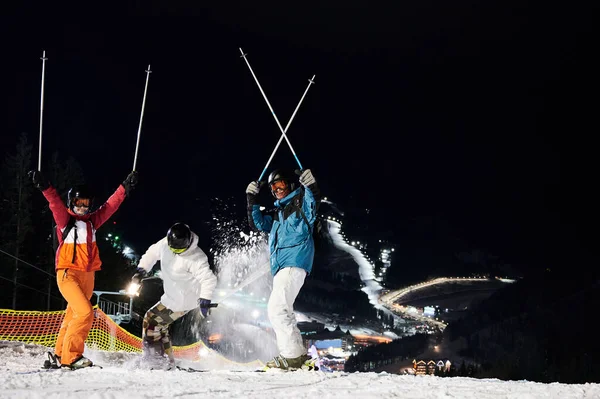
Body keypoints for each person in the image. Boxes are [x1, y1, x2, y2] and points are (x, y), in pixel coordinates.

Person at [29, 169, 138, 369]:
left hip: (88, 276)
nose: (82, 207)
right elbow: (54, 203)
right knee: (85, 313)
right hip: (68, 273)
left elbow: (110, 206)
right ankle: (72, 357)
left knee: (72, 315)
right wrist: (45, 186)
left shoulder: (92, 223)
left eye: (86, 204)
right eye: (78, 203)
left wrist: (125, 187)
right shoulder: (65, 220)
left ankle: (60, 353)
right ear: (72, 203)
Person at [245, 168, 320, 370]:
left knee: (276, 309)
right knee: (283, 309)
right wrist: (251, 198)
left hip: (294, 262)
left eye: (281, 184)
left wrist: (310, 186)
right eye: (273, 187)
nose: (277, 189)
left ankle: (291, 356)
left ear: (291, 184)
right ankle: (299, 356)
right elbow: (258, 224)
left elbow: (313, 204)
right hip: (281, 267)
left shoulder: (300, 204)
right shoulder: (278, 213)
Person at [132, 222, 218, 368]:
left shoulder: (196, 257)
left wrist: (205, 299)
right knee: (160, 325)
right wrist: (141, 270)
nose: (176, 252)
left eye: (180, 249)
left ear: (189, 242)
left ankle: (154, 360)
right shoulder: (165, 244)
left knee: (152, 320)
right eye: (173, 248)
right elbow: (152, 253)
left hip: (185, 299)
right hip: (171, 296)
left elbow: (208, 279)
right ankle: (165, 359)